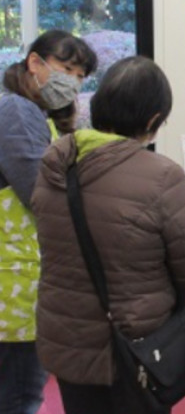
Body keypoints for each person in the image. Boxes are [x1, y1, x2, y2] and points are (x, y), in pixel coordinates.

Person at [31, 56, 185, 414]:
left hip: (67, 338)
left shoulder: (55, 163)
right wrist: (168, 310)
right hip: (134, 344)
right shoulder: (161, 176)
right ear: (153, 121)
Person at [0, 30, 97, 414]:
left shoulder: (36, 114)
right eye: (66, 68)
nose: (72, 81)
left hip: (21, 282)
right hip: (15, 287)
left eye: (80, 75)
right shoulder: (17, 111)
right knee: (20, 397)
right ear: (35, 63)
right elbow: (41, 192)